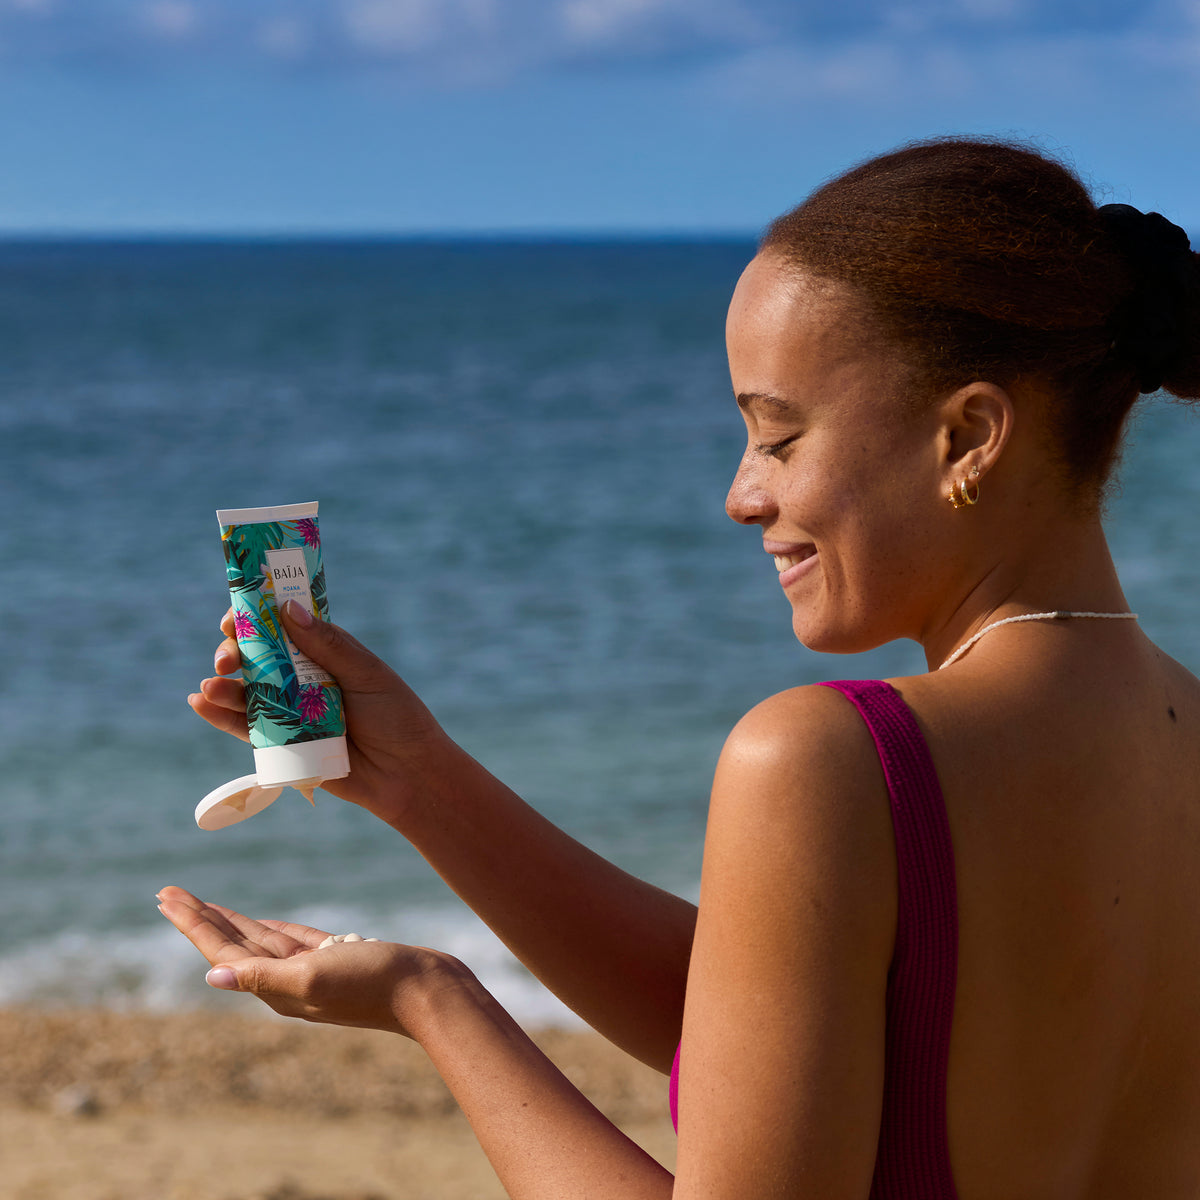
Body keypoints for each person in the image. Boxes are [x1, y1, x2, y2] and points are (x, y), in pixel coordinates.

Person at [159, 137, 1200, 1198]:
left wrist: (438, 1005)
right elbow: (788, 1031)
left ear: (970, 434)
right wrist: (421, 783)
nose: (742, 496)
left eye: (779, 438)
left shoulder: (834, 757)